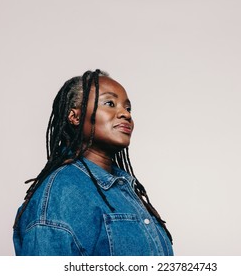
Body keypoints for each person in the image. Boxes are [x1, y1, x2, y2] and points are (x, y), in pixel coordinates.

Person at [13, 69, 173, 256]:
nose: (125, 114)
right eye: (109, 103)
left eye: (128, 108)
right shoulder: (62, 193)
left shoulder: (124, 190)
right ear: (76, 117)